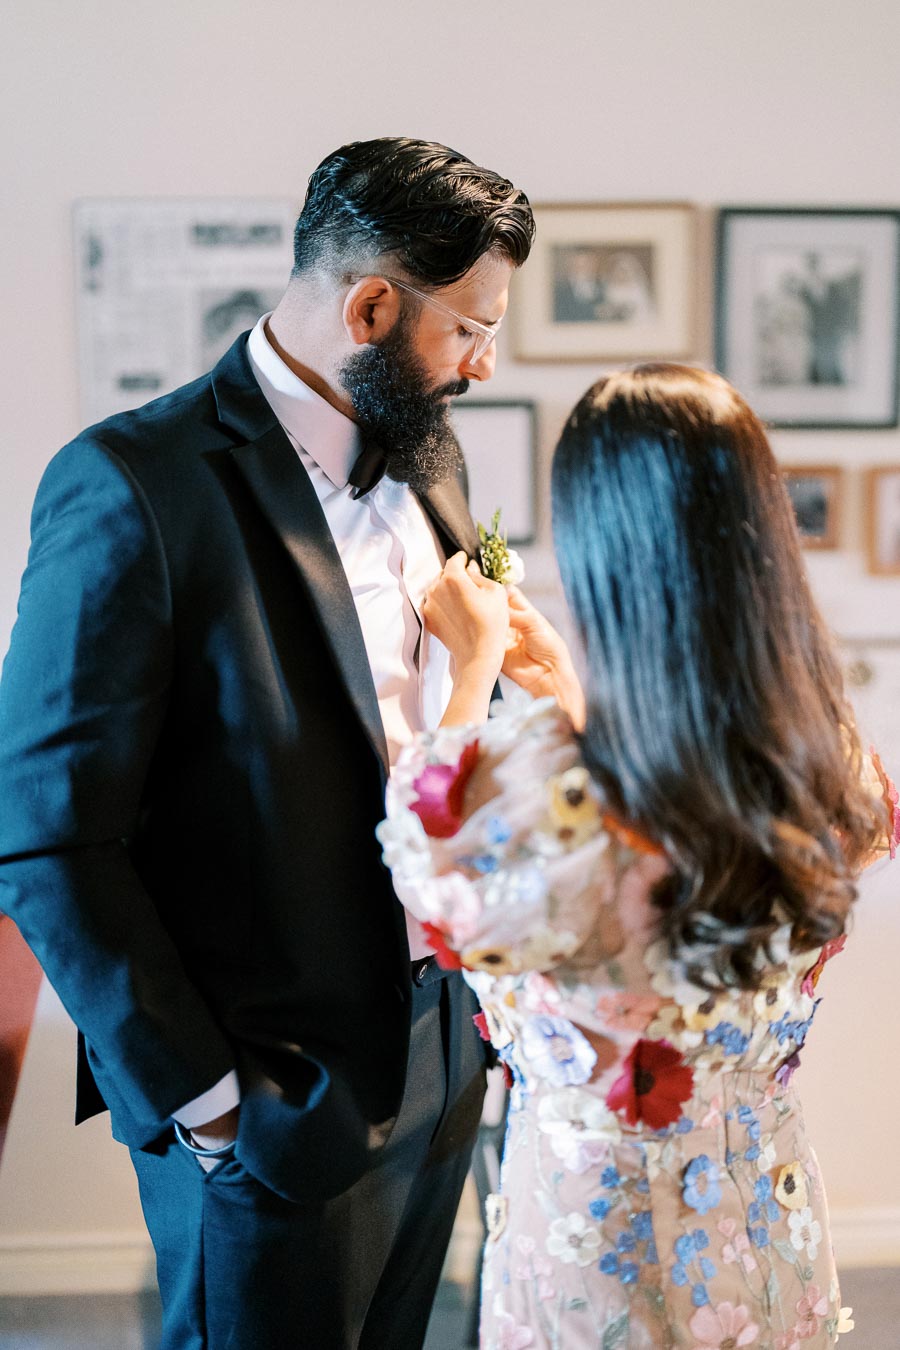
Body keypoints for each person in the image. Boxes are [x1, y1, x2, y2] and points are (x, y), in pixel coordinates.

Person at [0, 137, 534, 1349]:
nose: (486, 363)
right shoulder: (132, 482)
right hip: (265, 1089)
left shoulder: (428, 447)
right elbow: (43, 837)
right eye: (471, 328)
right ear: (373, 305)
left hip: (443, 1054)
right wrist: (209, 1107)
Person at [378, 364, 898, 1349]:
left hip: (593, 1225)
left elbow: (431, 860)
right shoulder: (825, 768)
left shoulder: (549, 796)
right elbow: (669, 845)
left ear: (598, 546)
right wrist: (569, 692)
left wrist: (471, 671)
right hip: (761, 1208)